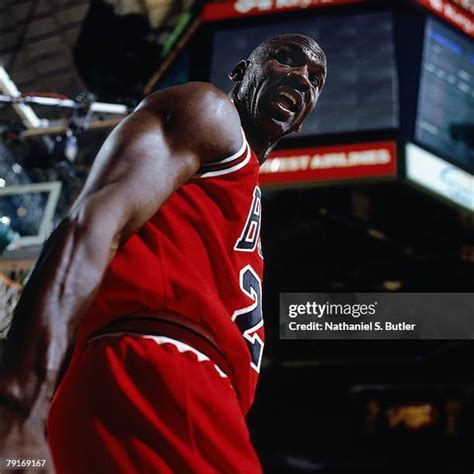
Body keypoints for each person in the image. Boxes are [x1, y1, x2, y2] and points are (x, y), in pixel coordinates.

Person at [0, 33, 326, 473]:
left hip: (183, 395)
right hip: (159, 374)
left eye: (315, 77)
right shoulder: (209, 112)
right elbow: (89, 226)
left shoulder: (242, 186)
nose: (302, 77)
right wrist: (19, 406)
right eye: (286, 60)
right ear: (242, 71)